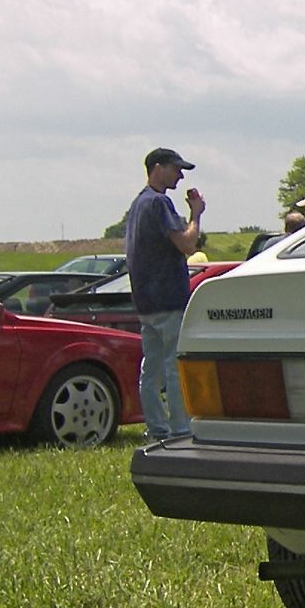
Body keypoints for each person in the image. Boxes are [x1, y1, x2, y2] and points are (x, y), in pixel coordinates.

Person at [125, 146, 205, 443]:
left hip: (145, 301)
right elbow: (187, 245)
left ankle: (156, 427)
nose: (180, 176)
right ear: (157, 168)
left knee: (151, 368)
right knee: (173, 366)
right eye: (176, 169)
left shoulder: (138, 204)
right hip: (169, 299)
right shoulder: (159, 202)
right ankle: (180, 428)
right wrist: (195, 215)